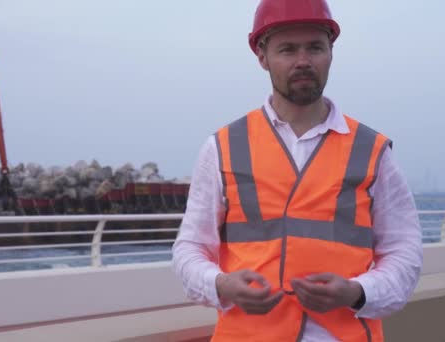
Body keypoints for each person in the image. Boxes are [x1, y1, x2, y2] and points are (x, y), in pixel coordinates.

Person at [171, 0, 423, 341]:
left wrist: (358, 291)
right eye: (287, 49)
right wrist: (222, 284)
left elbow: (403, 253)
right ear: (262, 57)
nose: (303, 61)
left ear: (331, 51)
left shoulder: (373, 151)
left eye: (315, 48)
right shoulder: (221, 148)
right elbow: (190, 249)